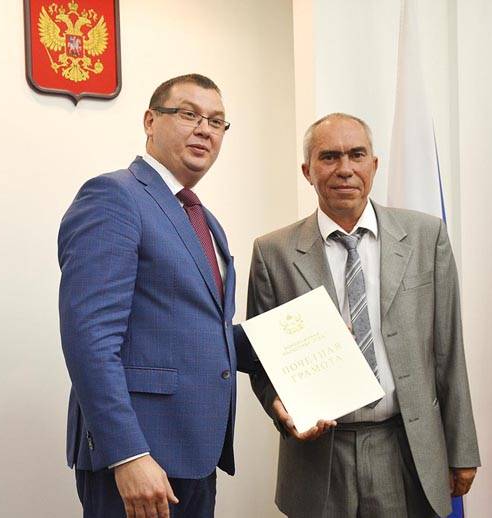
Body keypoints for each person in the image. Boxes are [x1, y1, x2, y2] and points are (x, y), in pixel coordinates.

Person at [247, 113, 480, 517]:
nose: (345, 169)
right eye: (329, 157)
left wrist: (461, 449)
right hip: (319, 460)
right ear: (307, 170)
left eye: (356, 155)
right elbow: (261, 359)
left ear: (374, 164)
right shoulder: (273, 253)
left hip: (407, 448)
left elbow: (449, 350)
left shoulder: (426, 236)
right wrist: (280, 407)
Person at [58, 73, 253, 518]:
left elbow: (207, 332)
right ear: (150, 121)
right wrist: (128, 454)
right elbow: (90, 338)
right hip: (139, 459)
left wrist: (304, 339)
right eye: (189, 114)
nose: (204, 130)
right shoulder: (113, 196)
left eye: (216, 121)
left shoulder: (203, 219)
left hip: (196, 454)